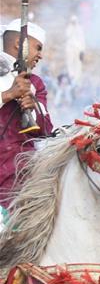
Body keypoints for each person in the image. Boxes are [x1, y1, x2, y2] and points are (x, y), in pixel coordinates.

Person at [0, 20, 53, 213]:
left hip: (20, 174)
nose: (40, 55)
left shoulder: (35, 83)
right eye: (37, 47)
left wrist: (33, 107)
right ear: (19, 43)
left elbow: (46, 130)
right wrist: (8, 95)